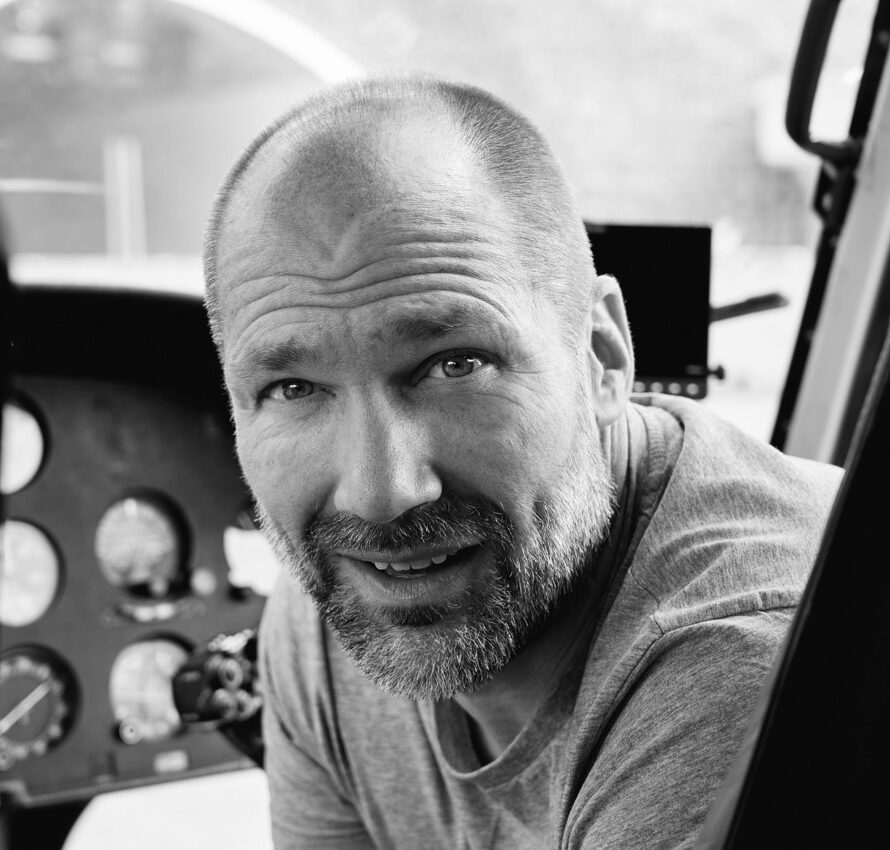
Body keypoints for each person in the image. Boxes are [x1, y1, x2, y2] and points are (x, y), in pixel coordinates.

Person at [203, 74, 842, 849]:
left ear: (603, 358)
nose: (378, 495)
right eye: (293, 387)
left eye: (453, 365)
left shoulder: (747, 661)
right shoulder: (329, 610)